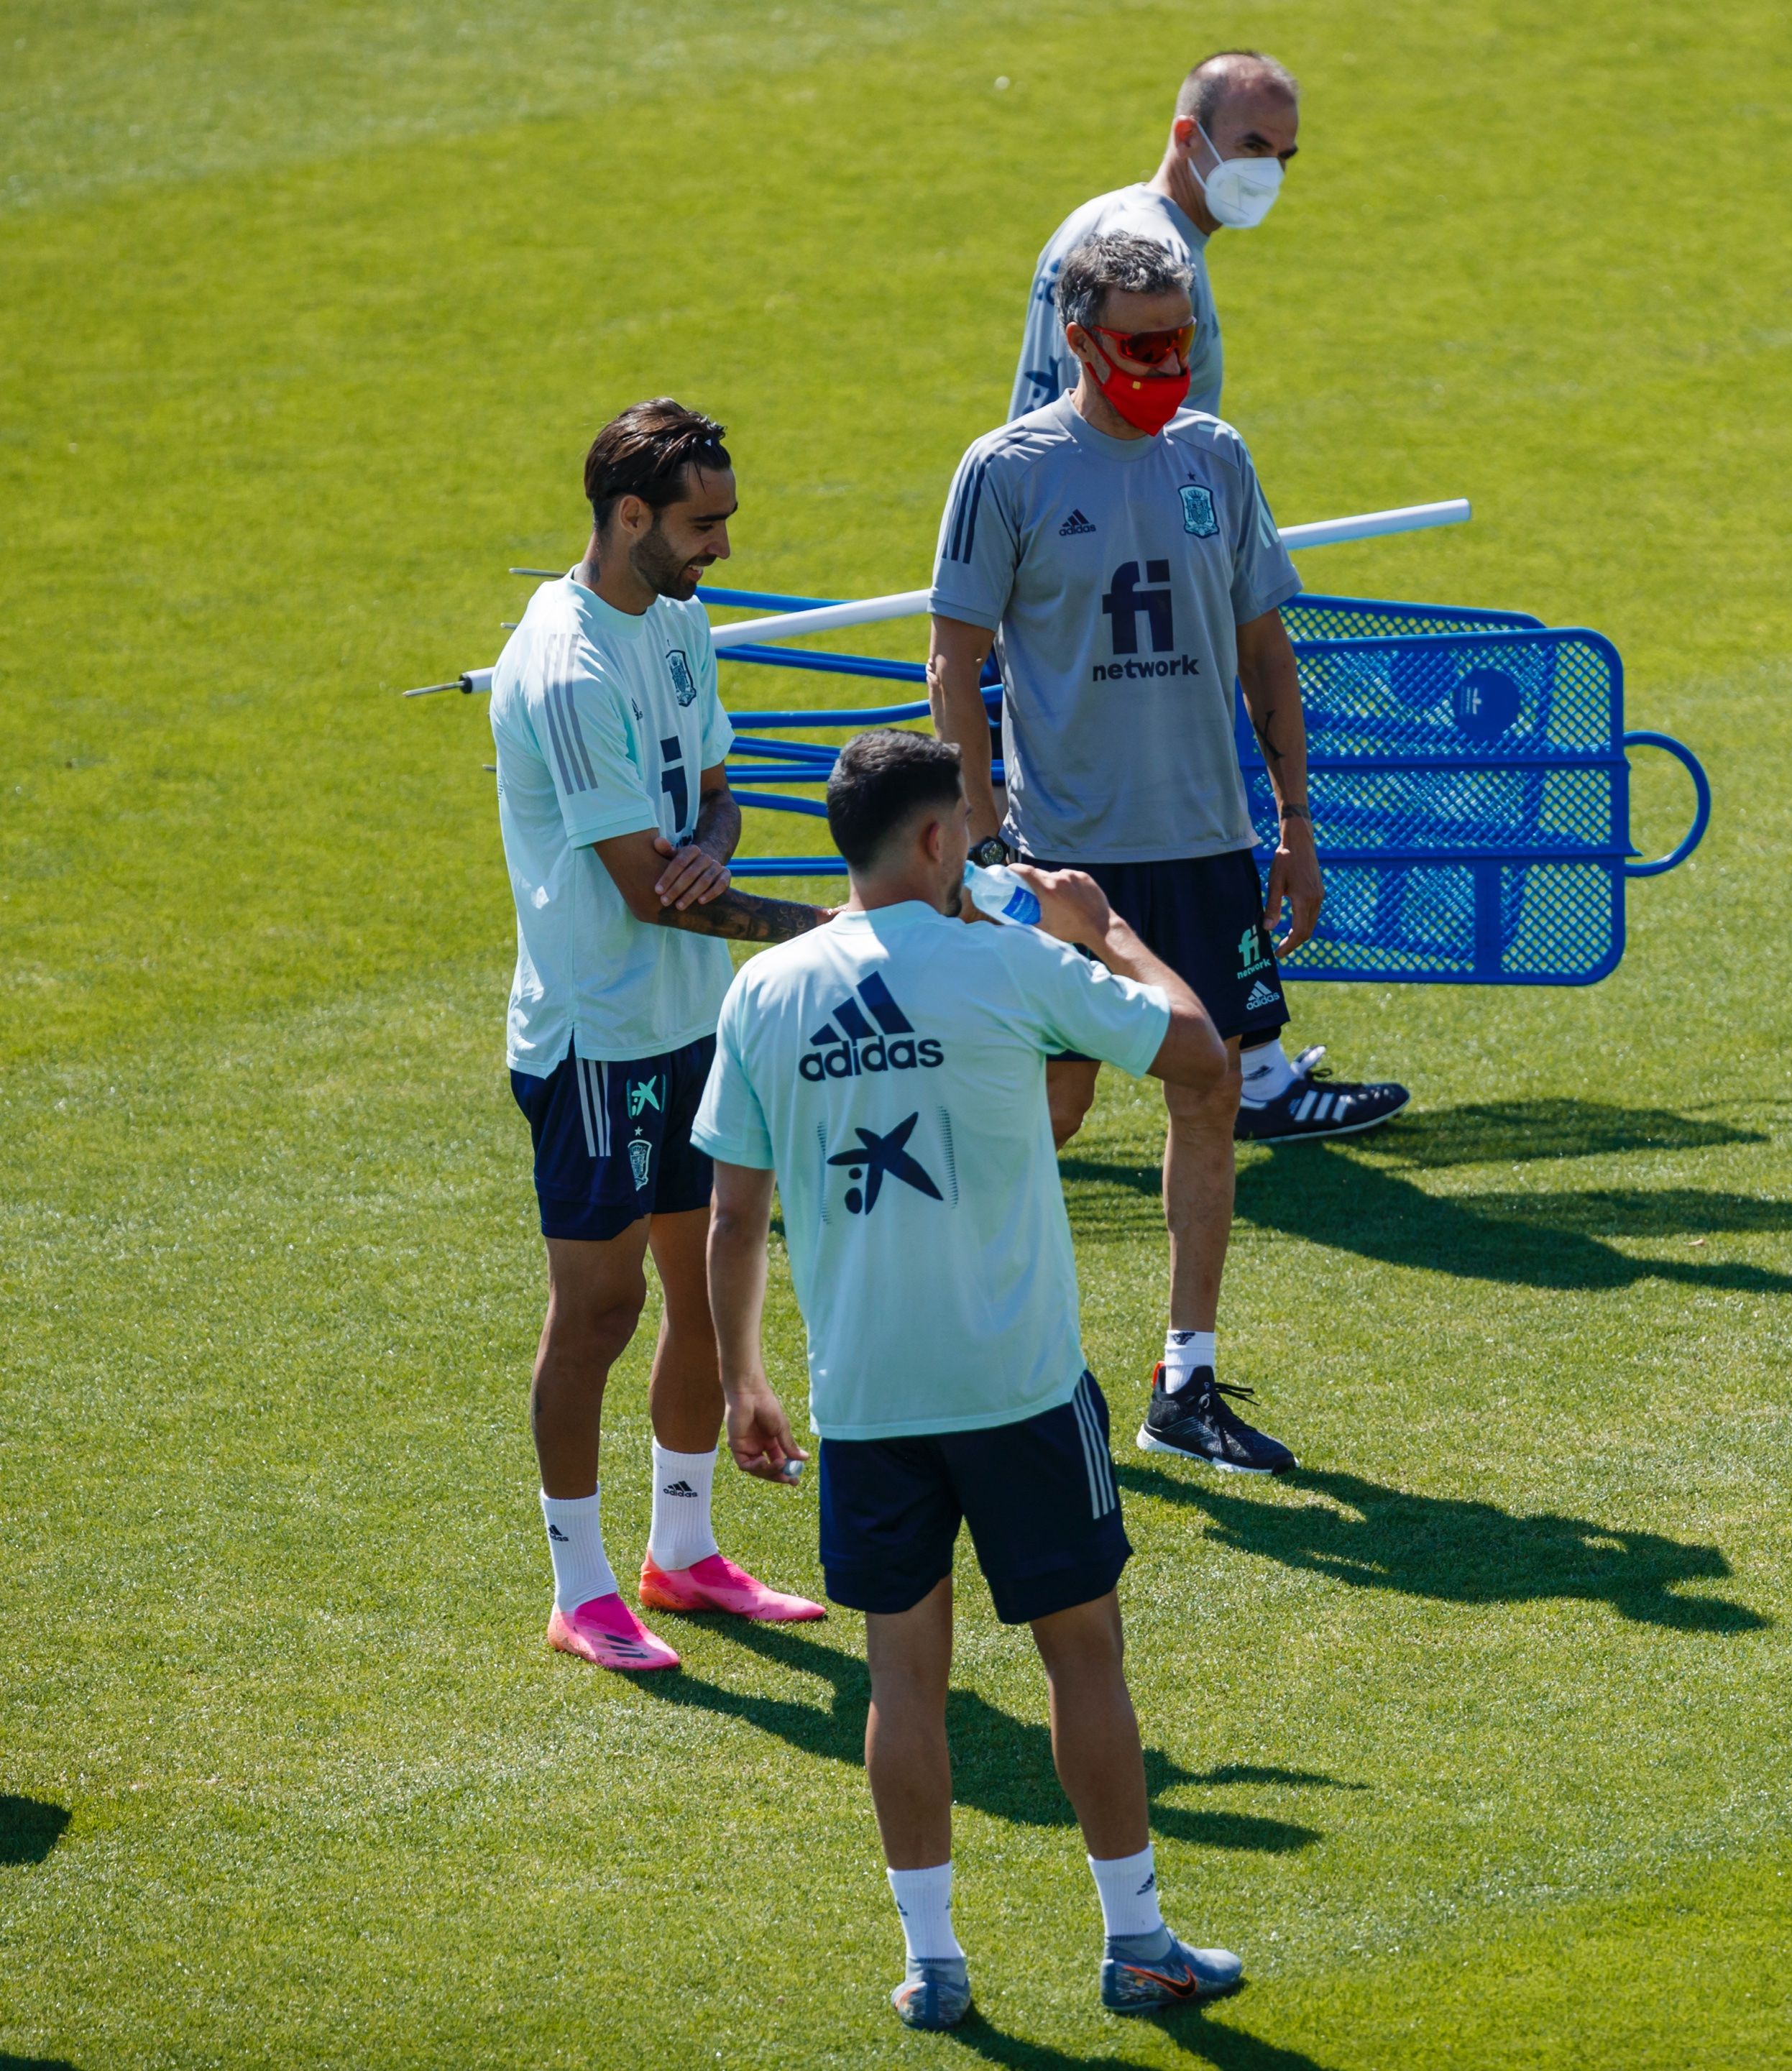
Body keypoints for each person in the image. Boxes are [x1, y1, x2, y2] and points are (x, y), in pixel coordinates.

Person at [696, 728, 1249, 2028]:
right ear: (937, 839)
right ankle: (1137, 1943)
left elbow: (732, 1214)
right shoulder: (1012, 965)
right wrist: (1103, 932)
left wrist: (744, 1382)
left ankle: (933, 1964)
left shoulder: (765, 994)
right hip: (1018, 1388)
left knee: (904, 1679)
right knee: (1084, 1655)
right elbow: (1197, 1052)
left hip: (867, 1399)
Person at [930, 230, 1410, 1474]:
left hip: (1206, 845)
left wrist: (1295, 826)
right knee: (1058, 1099)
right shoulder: (1007, 471)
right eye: (1143, 344)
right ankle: (976, 1342)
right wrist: (984, 845)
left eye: (1182, 340)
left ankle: (1181, 1382)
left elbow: (1265, 652)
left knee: (1208, 1089)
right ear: (1080, 342)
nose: (1168, 365)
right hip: (1068, 857)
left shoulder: (1217, 456)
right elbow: (953, 661)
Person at [488, 399, 837, 1673]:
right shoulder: (567, 668)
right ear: (629, 516)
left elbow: (714, 796)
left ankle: (681, 1556)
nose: (723, 552)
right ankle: (578, 1585)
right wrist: (832, 925)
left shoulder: (678, 622)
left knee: (702, 1292)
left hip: (696, 1017)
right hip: (600, 1040)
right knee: (601, 1310)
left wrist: (711, 853)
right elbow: (640, 889)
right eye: (704, 526)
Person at [1008, 50, 1299, 423]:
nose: (1269, 172)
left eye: (1283, 156)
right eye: (1253, 147)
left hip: (1037, 475)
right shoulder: (1159, 260)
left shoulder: (1093, 216)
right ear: (1188, 135)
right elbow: (1121, 433)